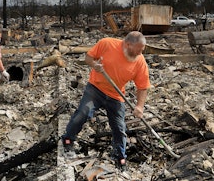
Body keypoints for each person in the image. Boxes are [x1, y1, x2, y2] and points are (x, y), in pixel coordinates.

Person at [61, 31, 151, 171]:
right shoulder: (107, 44)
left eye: (142, 49)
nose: (141, 52)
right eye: (139, 49)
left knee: (119, 128)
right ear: (128, 44)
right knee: (83, 113)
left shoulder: (140, 61)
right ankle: (68, 139)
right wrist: (94, 65)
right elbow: (88, 58)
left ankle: (119, 157)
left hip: (116, 96)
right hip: (95, 91)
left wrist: (140, 106)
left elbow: (143, 86)